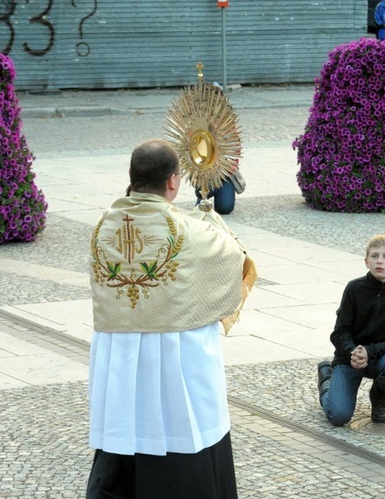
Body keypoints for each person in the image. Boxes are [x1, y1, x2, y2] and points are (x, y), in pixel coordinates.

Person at [86, 139, 255, 498]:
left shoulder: (103, 227)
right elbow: (235, 263)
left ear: (132, 178)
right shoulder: (191, 231)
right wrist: (212, 221)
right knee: (183, 437)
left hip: (121, 359)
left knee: (125, 434)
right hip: (176, 359)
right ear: (173, 182)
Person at [316, 235, 385, 426]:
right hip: (350, 358)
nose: (380, 261)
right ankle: (327, 381)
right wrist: (354, 351)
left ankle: (379, 395)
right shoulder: (354, 288)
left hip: (382, 358)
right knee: (338, 416)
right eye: (374, 256)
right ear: (366, 261)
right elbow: (339, 332)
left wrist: (370, 352)